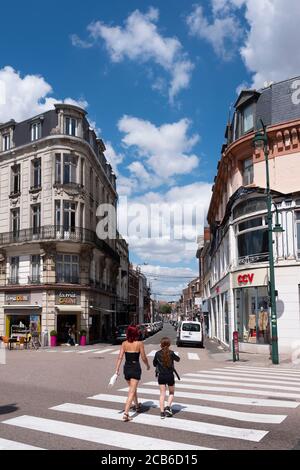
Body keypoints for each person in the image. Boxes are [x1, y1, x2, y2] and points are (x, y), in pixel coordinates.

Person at [115, 325, 150, 422]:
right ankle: (126, 414)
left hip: (126, 368)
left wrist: (116, 370)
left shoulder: (124, 343)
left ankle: (137, 406)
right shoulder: (139, 343)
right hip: (135, 368)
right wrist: (147, 365)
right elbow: (143, 357)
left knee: (132, 389)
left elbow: (120, 357)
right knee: (131, 391)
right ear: (136, 333)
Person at [153, 337, 180, 419]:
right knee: (171, 393)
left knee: (162, 394)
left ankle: (162, 413)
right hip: (170, 376)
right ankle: (168, 407)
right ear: (169, 345)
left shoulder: (157, 353)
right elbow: (178, 359)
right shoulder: (171, 353)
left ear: (161, 344)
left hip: (161, 376)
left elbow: (154, 364)